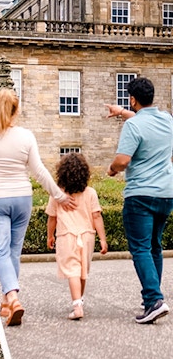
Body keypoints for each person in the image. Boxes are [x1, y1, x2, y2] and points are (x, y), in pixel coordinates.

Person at [0, 88, 75, 326]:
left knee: (1, 252)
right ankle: (7, 302)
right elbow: (39, 171)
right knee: (13, 251)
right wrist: (58, 195)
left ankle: (13, 298)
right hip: (22, 198)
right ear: (17, 111)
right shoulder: (26, 136)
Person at [106, 77, 173, 324]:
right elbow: (145, 122)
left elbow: (122, 161)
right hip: (166, 194)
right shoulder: (167, 120)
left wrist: (112, 169)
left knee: (141, 248)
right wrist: (121, 112)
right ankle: (152, 301)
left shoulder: (133, 127)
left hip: (141, 195)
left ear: (132, 99)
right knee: (155, 246)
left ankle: (154, 299)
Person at [46, 153, 107, 320]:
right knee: (82, 271)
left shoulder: (57, 194)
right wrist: (102, 239)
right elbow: (96, 216)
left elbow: (52, 218)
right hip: (87, 236)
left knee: (72, 271)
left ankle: (77, 305)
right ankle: (79, 299)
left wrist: (50, 236)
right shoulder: (91, 193)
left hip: (67, 236)